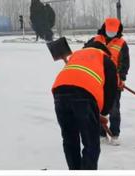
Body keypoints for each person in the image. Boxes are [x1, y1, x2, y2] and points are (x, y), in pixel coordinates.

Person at [52, 40, 118, 170]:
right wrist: (103, 112)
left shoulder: (76, 55)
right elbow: (111, 90)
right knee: (91, 144)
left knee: (70, 140)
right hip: (84, 96)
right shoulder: (105, 58)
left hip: (59, 93)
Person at [87, 17, 130, 144]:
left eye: (113, 31)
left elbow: (125, 63)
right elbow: (85, 55)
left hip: (113, 83)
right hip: (97, 81)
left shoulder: (122, 44)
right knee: (98, 109)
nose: (110, 33)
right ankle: (101, 134)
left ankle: (115, 133)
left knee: (114, 109)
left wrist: (122, 78)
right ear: (104, 28)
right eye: (109, 30)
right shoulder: (94, 41)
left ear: (118, 30)